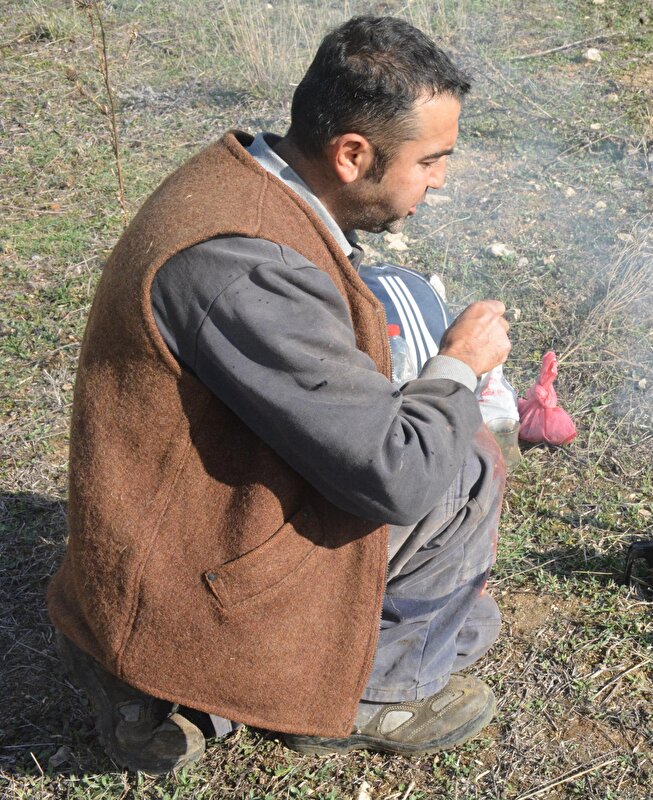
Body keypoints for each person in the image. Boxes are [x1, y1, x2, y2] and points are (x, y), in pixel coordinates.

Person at [46, 16, 510, 773]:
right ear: (352, 154)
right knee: (462, 464)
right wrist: (457, 364)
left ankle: (160, 676)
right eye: (430, 160)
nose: (440, 180)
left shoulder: (242, 183)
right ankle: (369, 690)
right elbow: (400, 475)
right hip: (182, 577)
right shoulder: (248, 268)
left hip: (168, 534)